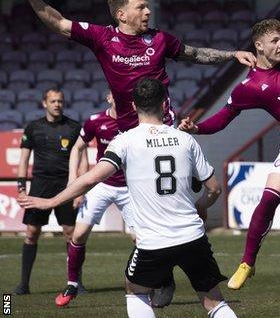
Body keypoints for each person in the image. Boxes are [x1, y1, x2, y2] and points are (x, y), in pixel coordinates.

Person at [18, 78, 238, 318]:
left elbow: (91, 179)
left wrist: (50, 202)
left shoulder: (125, 140)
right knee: (214, 303)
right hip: (193, 236)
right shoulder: (186, 139)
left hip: (154, 242)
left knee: (134, 290)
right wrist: (201, 205)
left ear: (133, 106)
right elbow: (214, 189)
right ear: (165, 105)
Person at [178, 19, 280, 301]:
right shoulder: (249, 86)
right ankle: (247, 263)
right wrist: (196, 128)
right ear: (259, 45)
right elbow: (223, 119)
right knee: (268, 199)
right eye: (274, 41)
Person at [19, 0, 256, 132]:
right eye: (141, 7)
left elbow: (195, 55)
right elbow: (60, 23)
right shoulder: (102, 37)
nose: (148, 12)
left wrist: (232, 55)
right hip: (129, 131)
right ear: (121, 14)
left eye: (147, 7)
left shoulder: (160, 38)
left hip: (164, 126)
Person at [53, 92, 133, 307]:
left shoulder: (135, 122)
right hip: (102, 185)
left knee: (140, 239)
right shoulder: (95, 121)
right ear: (108, 97)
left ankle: (145, 281)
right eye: (115, 94)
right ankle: (72, 284)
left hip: (131, 189)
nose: (120, 98)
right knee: (78, 235)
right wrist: (74, 180)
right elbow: (77, 148)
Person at [14, 87, 82, 295]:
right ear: (45, 103)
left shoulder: (73, 127)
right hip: (39, 187)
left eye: (60, 101)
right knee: (32, 233)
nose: (57, 105)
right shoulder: (33, 128)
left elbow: (81, 160)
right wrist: (21, 189)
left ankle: (76, 283)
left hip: (66, 186)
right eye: (53, 101)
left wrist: (79, 190)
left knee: (71, 234)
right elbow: (24, 160)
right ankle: (24, 284)